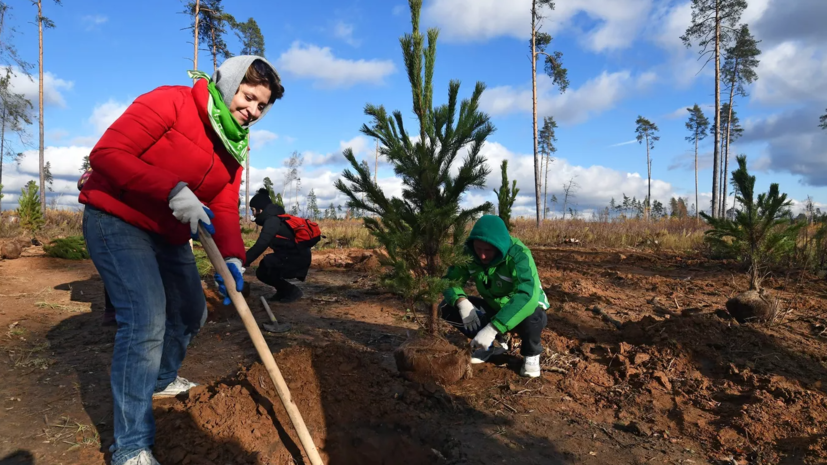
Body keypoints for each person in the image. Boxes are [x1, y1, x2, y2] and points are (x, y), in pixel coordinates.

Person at [79, 56, 283, 465]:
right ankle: (131, 446)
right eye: (248, 97)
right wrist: (170, 188)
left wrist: (233, 258)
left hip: (168, 231)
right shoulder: (171, 102)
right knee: (145, 319)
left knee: (192, 311)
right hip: (117, 218)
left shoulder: (235, 144)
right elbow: (107, 153)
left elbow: (223, 204)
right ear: (228, 86)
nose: (253, 111)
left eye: (262, 106)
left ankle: (159, 379)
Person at [441, 215, 549, 378]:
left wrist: (492, 328)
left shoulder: (518, 254)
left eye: (488, 251)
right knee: (447, 307)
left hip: (522, 309)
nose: (482, 256)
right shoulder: (468, 253)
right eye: (478, 249)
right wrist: (462, 302)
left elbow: (527, 295)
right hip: (494, 307)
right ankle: (492, 344)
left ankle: (531, 354)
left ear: (500, 247)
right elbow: (451, 280)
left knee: (533, 314)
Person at [245, 188, 311, 303]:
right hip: (296, 257)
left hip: (297, 260)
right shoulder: (275, 218)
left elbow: (261, 244)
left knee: (266, 266)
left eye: (253, 210)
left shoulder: (272, 221)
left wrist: (243, 261)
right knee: (264, 268)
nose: (253, 213)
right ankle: (283, 291)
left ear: (260, 209)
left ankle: (292, 291)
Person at [78, 167, 117, 326]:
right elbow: (83, 182)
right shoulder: (102, 166)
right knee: (116, 266)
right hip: (112, 219)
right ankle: (112, 311)